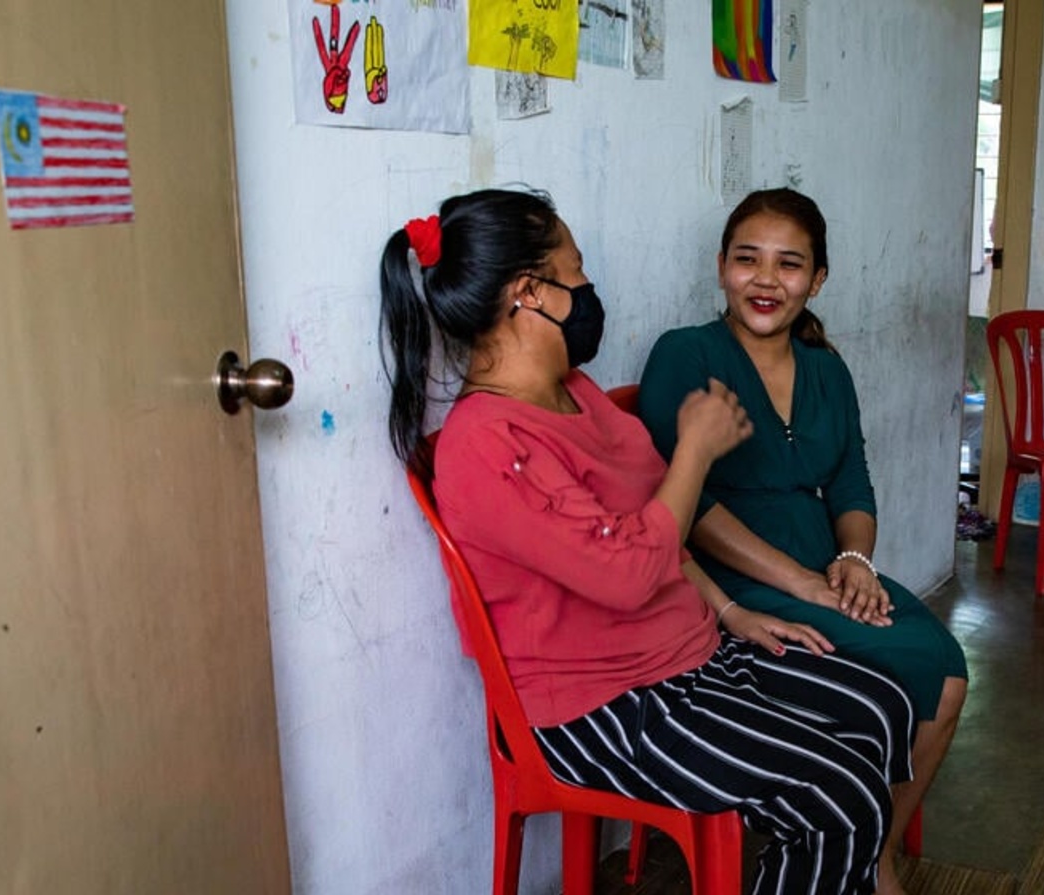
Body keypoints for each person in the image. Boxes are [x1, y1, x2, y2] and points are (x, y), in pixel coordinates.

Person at [379, 188, 918, 895]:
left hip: (683, 656)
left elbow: (652, 532)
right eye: (578, 275)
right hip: (601, 707)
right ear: (530, 294)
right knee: (840, 793)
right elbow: (628, 569)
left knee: (884, 703)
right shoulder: (486, 443)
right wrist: (694, 450)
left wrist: (727, 611)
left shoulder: (574, 390)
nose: (589, 289)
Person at [636, 188, 969, 888]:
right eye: (746, 259)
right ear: (720, 266)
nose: (765, 279)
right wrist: (803, 582)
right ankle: (866, 850)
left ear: (817, 279)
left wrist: (852, 562)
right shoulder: (684, 354)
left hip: (820, 565)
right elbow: (689, 505)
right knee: (907, 664)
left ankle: (872, 850)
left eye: (789, 264)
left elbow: (853, 482)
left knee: (946, 669)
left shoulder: (826, 368)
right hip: (725, 583)